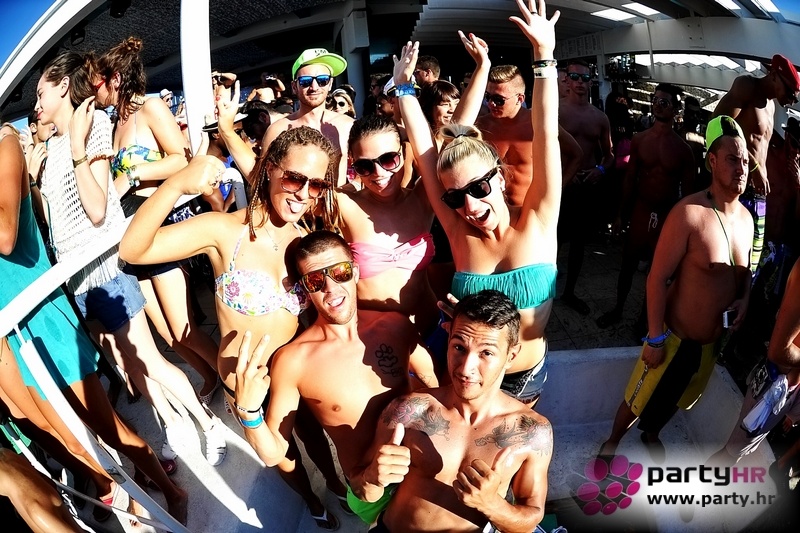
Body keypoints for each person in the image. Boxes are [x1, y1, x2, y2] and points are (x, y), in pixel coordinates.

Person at [119, 128, 345, 529]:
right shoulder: (223, 231)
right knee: (283, 454)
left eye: (315, 185)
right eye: (295, 178)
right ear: (270, 169)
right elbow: (134, 250)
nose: (303, 193)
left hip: (293, 374)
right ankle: (312, 501)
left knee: (313, 435)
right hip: (247, 382)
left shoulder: (302, 239)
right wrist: (175, 184)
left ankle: (335, 486)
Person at [35, 51, 227, 473]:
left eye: (41, 93)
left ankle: (215, 411)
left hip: (133, 246)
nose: (36, 105)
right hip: (100, 262)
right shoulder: (77, 136)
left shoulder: (111, 122)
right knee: (141, 357)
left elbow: (101, 206)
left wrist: (113, 166)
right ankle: (180, 422)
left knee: (169, 341)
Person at [0, 122, 187, 524]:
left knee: (105, 426)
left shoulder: (6, 143)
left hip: (41, 321)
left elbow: (5, 237)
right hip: (10, 335)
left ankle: (172, 492)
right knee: (67, 439)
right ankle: (126, 488)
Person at [397, 2, 561, 407]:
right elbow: (424, 153)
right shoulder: (457, 230)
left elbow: (546, 133)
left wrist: (543, 56)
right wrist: (402, 88)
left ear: (500, 177)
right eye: (455, 196)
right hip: (463, 374)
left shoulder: (539, 219)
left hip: (521, 379)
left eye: (479, 187)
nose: (469, 205)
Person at [234, 230, 437, 526]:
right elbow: (273, 453)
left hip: (422, 465)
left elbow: (431, 379)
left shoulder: (394, 326)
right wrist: (249, 413)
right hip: (370, 488)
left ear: (355, 271)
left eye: (340, 272)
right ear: (306, 290)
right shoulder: (293, 361)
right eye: (316, 280)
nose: (330, 288)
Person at [599, 115, 755, 461]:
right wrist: (655, 338)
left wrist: (744, 299)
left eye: (746, 161)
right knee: (638, 397)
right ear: (712, 161)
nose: (741, 168)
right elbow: (657, 277)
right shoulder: (689, 213)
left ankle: (652, 433)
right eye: (732, 159)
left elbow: (745, 274)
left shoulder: (747, 219)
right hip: (672, 337)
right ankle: (611, 443)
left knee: (682, 397)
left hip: (710, 344)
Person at [351, 289, 553, 532]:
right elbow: (361, 491)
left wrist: (493, 505)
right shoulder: (410, 410)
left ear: (511, 355)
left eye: (486, 353)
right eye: (459, 347)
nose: (466, 368)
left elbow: (530, 519)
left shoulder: (531, 432)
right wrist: (372, 479)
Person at [92, 36, 221, 408]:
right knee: (168, 335)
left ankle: (231, 383)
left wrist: (131, 176)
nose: (93, 90)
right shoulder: (114, 123)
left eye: (96, 82)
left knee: (184, 328)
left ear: (115, 79)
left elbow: (180, 159)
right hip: (131, 234)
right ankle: (210, 376)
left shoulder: (150, 107)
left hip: (160, 228)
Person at [597, 84, 695, 329]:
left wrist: (684, 233)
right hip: (641, 211)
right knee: (627, 264)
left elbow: (688, 197)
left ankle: (645, 319)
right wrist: (620, 215)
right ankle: (618, 309)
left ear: (676, 109)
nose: (658, 105)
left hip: (666, 216)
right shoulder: (640, 140)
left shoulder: (683, 151)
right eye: (655, 99)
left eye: (664, 102)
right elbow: (630, 179)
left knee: (657, 273)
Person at [712, 53, 800, 273]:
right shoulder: (747, 86)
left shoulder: (771, 106)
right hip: (735, 187)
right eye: (790, 92)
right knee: (722, 259)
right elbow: (717, 125)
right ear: (774, 76)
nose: (793, 100)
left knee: (748, 266)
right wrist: (753, 166)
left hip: (758, 196)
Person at [475, 64, 582, 207]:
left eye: (499, 100)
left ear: (520, 99)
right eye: (488, 97)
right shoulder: (480, 126)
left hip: (532, 209)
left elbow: (576, 154)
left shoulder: (538, 124)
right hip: (494, 210)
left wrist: (556, 191)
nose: (491, 104)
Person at [557, 59, 614, 315]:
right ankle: (543, 290)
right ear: (566, 80)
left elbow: (609, 155)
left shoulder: (599, 118)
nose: (580, 82)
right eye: (575, 77)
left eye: (585, 78)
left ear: (591, 82)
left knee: (579, 242)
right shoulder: (555, 112)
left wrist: (599, 170)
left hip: (585, 187)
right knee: (553, 240)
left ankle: (569, 291)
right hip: (560, 184)